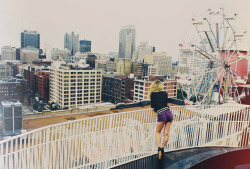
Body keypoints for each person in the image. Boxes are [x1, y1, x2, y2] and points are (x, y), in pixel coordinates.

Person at [148, 79, 174, 160]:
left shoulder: (153, 94)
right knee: (166, 133)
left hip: (162, 114)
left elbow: (153, 106)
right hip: (169, 113)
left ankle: (159, 148)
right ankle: (163, 148)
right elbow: (165, 102)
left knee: (158, 132)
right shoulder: (164, 93)